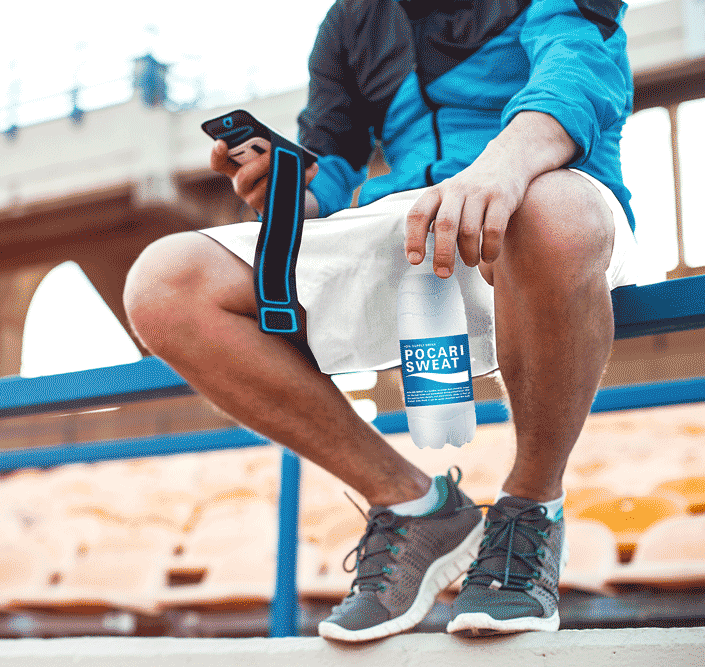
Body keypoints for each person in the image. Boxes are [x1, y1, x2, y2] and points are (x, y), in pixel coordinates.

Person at [124, 0, 642, 639]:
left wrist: (501, 169)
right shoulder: (350, 21)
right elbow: (331, 163)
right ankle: (416, 507)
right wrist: (286, 186)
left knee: (549, 214)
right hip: (408, 218)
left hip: (547, 191)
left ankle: (533, 506)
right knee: (165, 280)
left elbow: (580, 72)